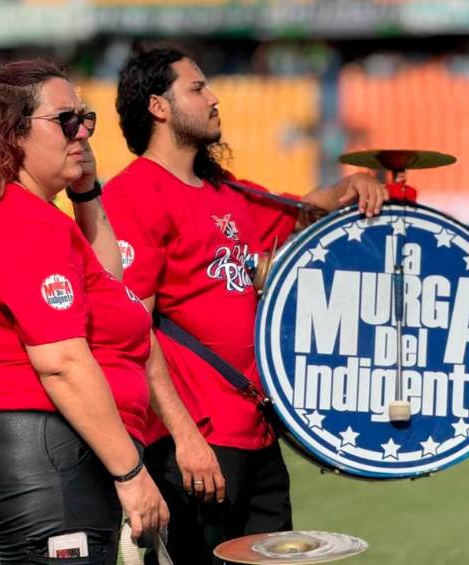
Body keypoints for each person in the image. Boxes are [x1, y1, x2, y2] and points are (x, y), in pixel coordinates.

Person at [101, 46, 388, 564]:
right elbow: (133, 332)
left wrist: (352, 185)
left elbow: (301, 213)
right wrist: (186, 439)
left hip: (256, 438)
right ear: (159, 107)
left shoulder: (226, 192)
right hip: (194, 447)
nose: (213, 98)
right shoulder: (135, 195)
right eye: (197, 88)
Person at [0, 59, 168, 564]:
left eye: (87, 119)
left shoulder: (22, 212)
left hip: (35, 456)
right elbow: (61, 360)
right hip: (43, 458)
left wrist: (86, 190)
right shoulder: (19, 220)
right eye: (66, 120)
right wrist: (131, 474)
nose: (82, 132)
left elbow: (110, 285)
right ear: (12, 133)